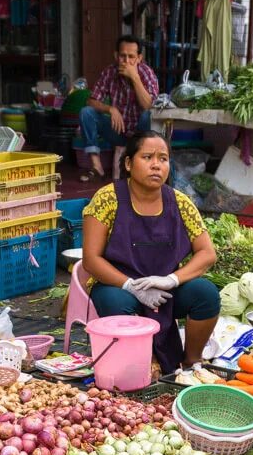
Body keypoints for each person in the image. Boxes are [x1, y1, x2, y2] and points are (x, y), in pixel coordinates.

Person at [81, 132, 220, 373]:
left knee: (205, 293)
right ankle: (137, 367)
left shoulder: (180, 202)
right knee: (117, 304)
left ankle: (190, 362)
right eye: (147, 157)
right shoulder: (107, 199)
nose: (156, 164)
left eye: (163, 158)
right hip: (117, 285)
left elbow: (207, 253)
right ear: (128, 163)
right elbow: (91, 260)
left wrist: (171, 280)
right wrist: (131, 286)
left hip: (165, 290)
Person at [78, 35, 160, 182]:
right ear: (116, 56)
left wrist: (135, 77)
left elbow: (148, 105)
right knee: (87, 113)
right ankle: (97, 167)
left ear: (139, 58)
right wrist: (110, 109)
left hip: (140, 134)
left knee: (147, 115)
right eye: (122, 56)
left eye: (131, 57)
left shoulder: (146, 73)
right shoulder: (110, 72)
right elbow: (91, 101)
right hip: (119, 130)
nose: (126, 61)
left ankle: (141, 167)